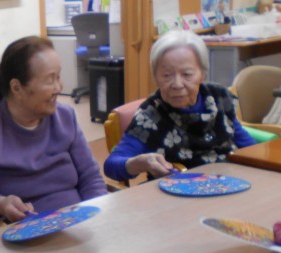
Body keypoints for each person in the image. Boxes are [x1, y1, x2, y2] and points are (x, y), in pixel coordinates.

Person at [0, 36, 107, 224]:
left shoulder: (65, 116)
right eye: (50, 80)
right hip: (27, 232)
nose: (59, 87)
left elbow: (91, 178)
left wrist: (98, 218)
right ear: (17, 88)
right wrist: (1, 203)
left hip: (79, 222)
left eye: (58, 77)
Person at [104, 30, 256, 182]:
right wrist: (139, 163)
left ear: (202, 74)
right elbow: (111, 165)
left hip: (230, 183)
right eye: (167, 75)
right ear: (155, 77)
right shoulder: (150, 114)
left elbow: (248, 147)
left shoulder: (219, 98)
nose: (177, 84)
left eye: (187, 74)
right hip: (181, 189)